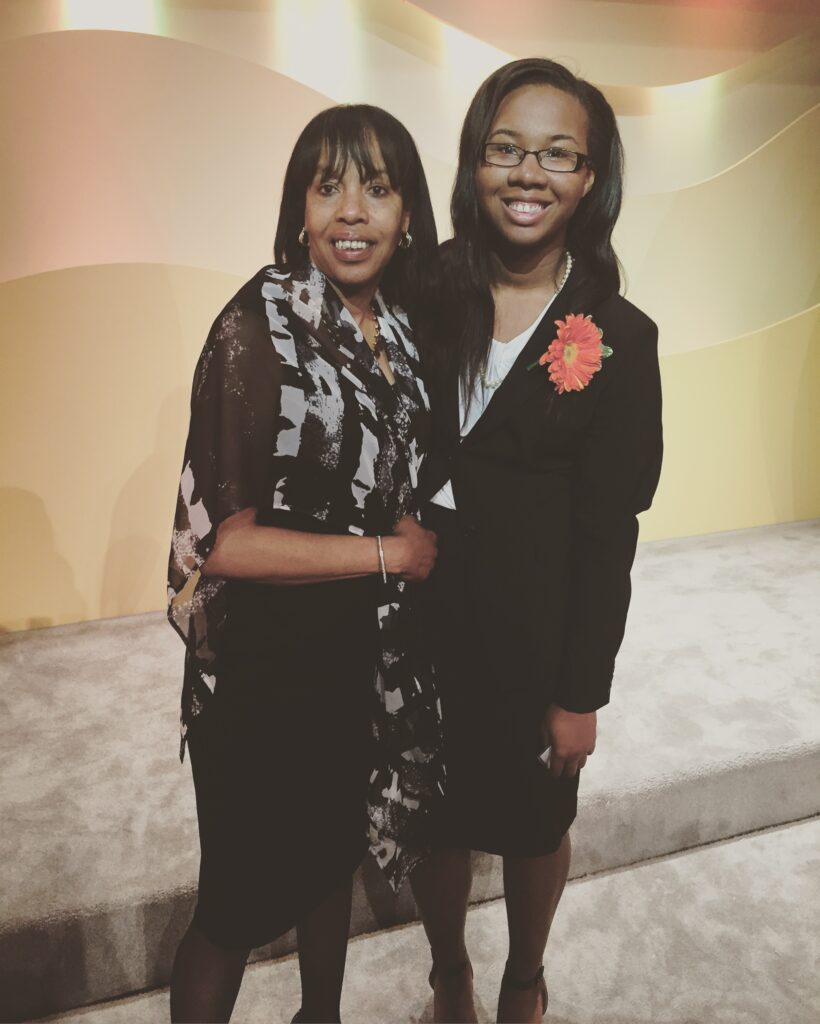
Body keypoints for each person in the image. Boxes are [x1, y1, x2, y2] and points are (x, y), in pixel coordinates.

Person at [166, 104, 443, 1024]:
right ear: (299, 210)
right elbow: (224, 545)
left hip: (354, 666)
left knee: (331, 863)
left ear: (409, 214)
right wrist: (389, 555)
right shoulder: (259, 326)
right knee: (235, 907)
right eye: (329, 187)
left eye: (377, 186)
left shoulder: (397, 334)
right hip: (263, 674)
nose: (352, 211)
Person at [410, 58, 664, 1023]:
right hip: (419, 619)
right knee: (431, 820)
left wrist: (580, 693)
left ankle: (524, 974)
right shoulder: (422, 287)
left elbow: (611, 533)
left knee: (531, 823)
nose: (528, 174)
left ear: (591, 178)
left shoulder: (617, 334)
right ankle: (449, 972)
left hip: (535, 633)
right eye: (506, 149)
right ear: (475, 162)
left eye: (558, 155)